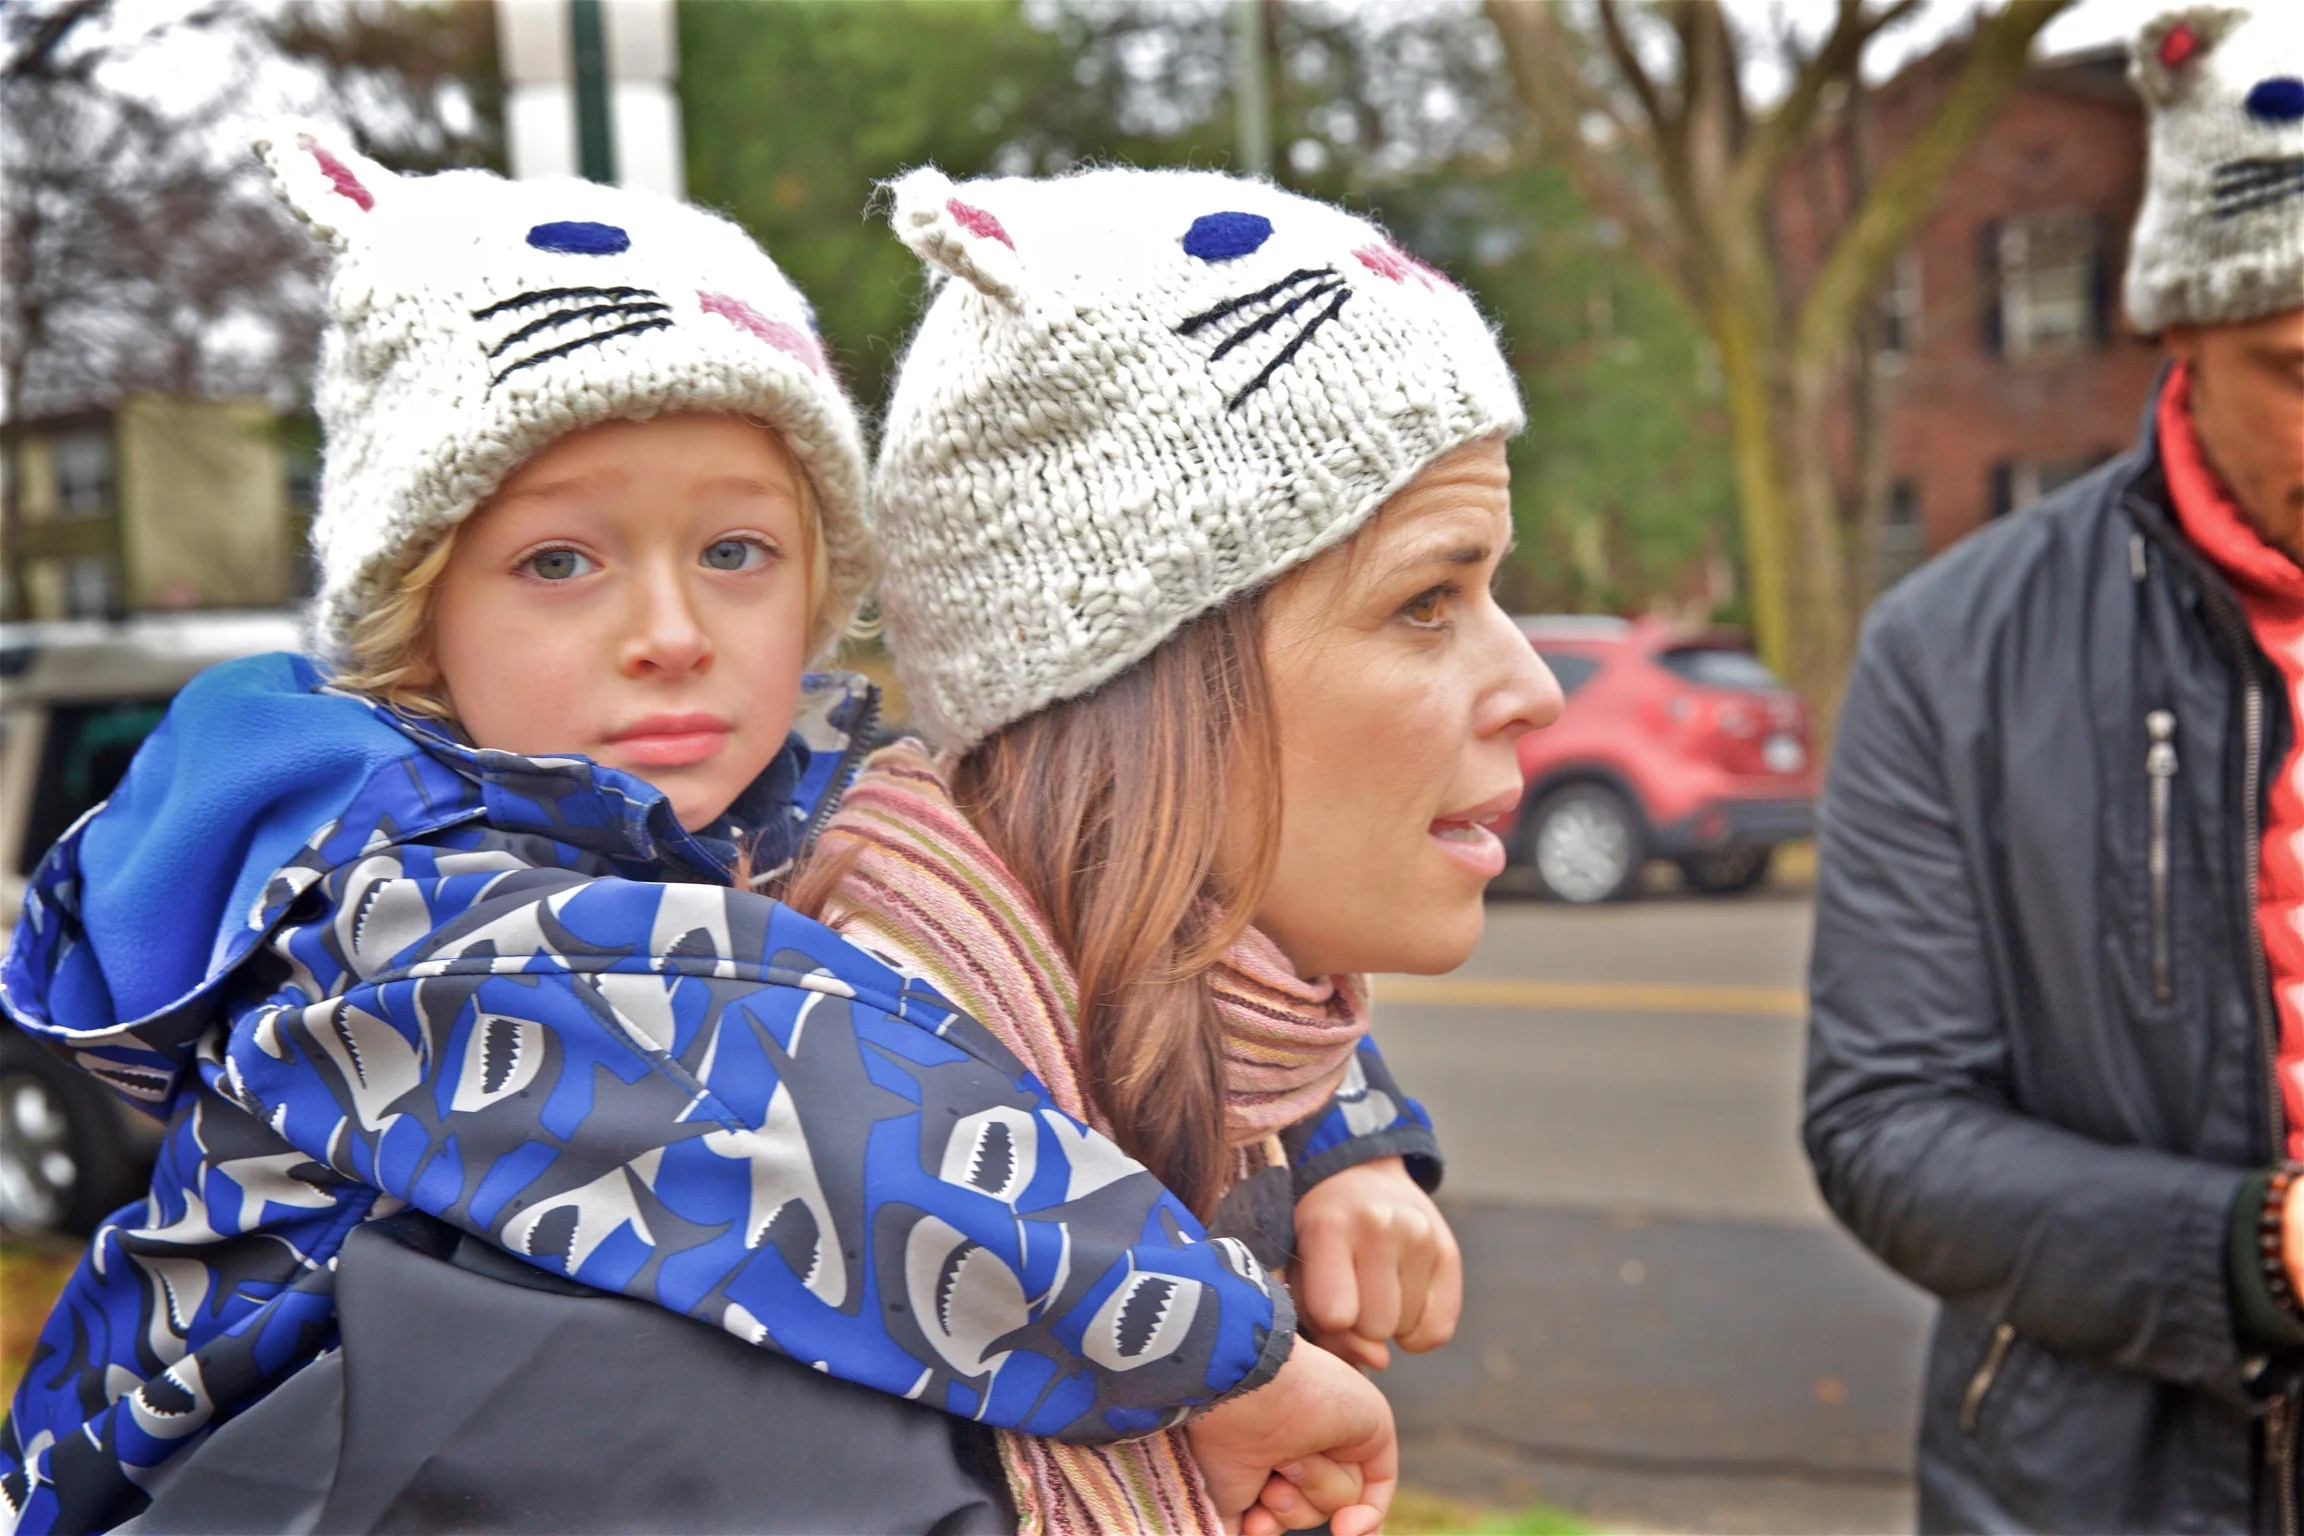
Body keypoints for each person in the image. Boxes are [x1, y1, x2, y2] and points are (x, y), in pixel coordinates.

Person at [0, 127, 1425, 1535]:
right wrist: (1208, 1360)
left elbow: (1109, 894)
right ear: (418, 616)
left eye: (735, 552)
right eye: (561, 562)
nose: (673, 635)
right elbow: (782, 1097)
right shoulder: (389, 891)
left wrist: (1335, 1132)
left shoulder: (795, 801)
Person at [786, 165, 1560, 1536]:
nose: (1534, 689)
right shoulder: (812, 1198)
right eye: (1427, 600)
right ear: (1151, 680)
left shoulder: (1210, 1075)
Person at [1804, 6, 2304, 1530]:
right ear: (2174, 326)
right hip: (2101, 1484)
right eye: (2297, 366)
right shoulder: (1951, 650)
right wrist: (2253, 1251)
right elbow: (1885, 1123)